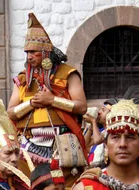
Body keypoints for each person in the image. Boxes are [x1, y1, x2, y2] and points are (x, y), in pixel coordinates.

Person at [7, 13, 87, 174]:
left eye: (33, 52)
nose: (29, 56)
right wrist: (31, 104)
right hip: (28, 147)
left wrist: (52, 100)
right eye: (27, 52)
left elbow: (82, 107)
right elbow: (10, 112)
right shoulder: (23, 79)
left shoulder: (67, 73)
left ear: (45, 52)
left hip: (62, 145)